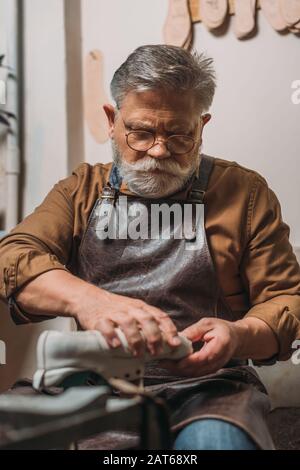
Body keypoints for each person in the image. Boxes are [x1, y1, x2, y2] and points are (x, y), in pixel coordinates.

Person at [0, 45, 299, 450]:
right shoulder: (80, 191)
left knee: (218, 442)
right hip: (91, 384)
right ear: (112, 120)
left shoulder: (243, 193)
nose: (159, 151)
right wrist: (89, 302)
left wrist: (240, 335)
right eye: (141, 133)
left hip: (208, 391)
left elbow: (286, 300)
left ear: (202, 125)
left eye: (179, 135)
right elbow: (13, 257)